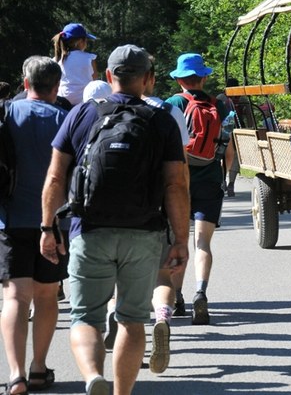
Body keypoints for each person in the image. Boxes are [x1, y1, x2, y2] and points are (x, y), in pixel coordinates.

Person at [40, 44, 189, 395]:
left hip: (89, 230)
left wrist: (48, 227)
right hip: (144, 234)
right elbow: (176, 184)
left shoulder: (80, 115)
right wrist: (180, 239)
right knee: (132, 321)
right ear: (148, 80)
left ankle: (93, 376)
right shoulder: (162, 120)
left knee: (86, 317)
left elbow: (55, 177)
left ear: (109, 77)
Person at [0, 57, 68, 394]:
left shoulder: (7, 114)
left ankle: (15, 375)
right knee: (46, 296)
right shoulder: (65, 119)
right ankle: (38, 368)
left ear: (25, 83)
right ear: (56, 87)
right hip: (52, 222)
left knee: (14, 297)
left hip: (10, 218)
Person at [165, 53, 234, 324]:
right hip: (210, 178)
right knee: (202, 242)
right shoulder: (219, 105)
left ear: (179, 79)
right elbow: (227, 146)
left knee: (178, 241)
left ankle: (178, 297)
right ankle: (200, 293)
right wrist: (226, 178)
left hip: (179, 183)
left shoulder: (172, 104)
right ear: (204, 78)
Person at [142, 56, 188, 374]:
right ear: (151, 78)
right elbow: (179, 174)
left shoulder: (100, 110)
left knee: (121, 280)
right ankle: (162, 319)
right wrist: (181, 228)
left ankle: (116, 326)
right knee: (162, 276)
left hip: (112, 212)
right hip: (157, 209)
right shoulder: (169, 112)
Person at [52, 23, 99, 106]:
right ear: (80, 41)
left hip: (61, 103)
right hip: (84, 103)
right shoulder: (90, 58)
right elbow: (95, 81)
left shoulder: (56, 60)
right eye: (86, 40)